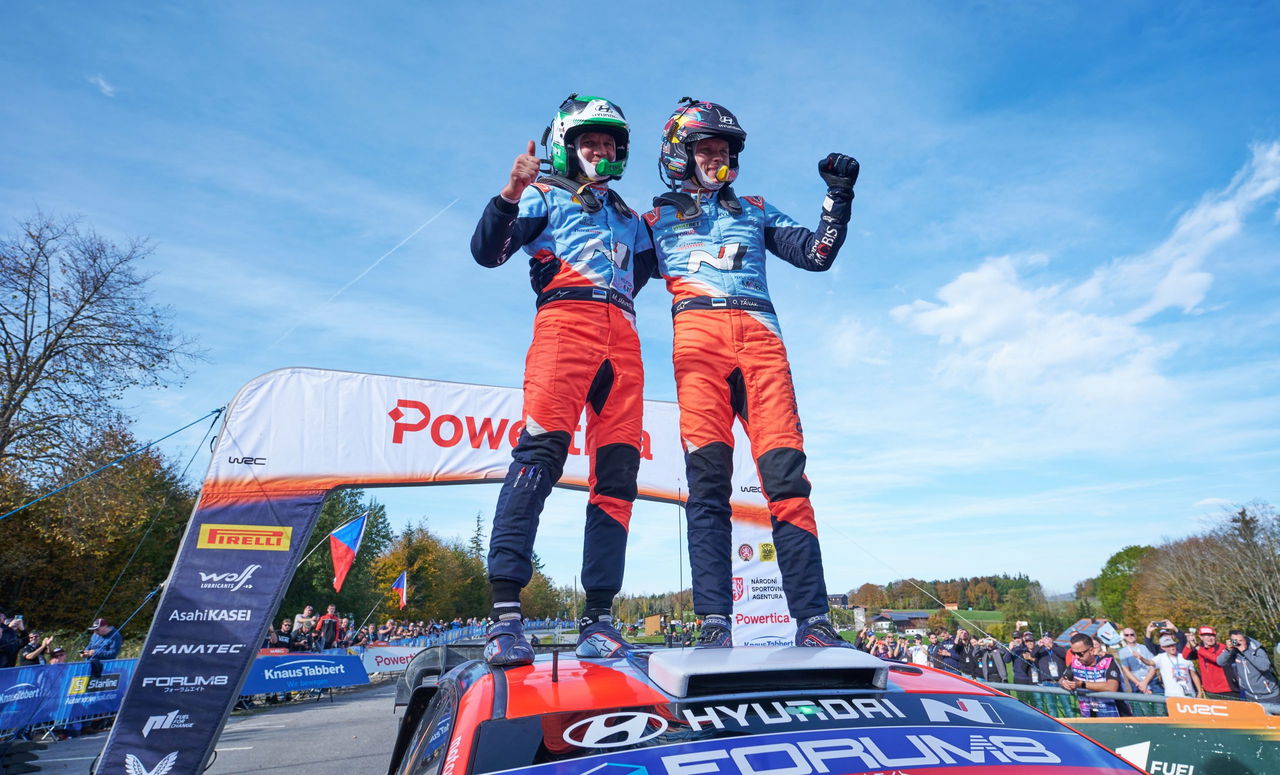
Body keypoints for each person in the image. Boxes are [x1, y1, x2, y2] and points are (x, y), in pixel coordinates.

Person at [644, 98, 858, 648]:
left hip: (762, 345)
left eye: (724, 152)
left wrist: (839, 196)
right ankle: (715, 621)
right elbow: (607, 271)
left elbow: (816, 253)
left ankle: (813, 621)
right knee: (707, 485)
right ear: (679, 154)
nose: (718, 160)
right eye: (706, 150)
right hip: (699, 345)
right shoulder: (653, 220)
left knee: (787, 483)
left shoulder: (756, 208)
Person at [471, 94, 656, 666]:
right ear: (566, 146)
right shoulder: (543, 195)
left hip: (623, 337)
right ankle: (505, 617)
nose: (600, 150)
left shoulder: (629, 216)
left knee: (618, 477)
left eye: (608, 143)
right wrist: (509, 195)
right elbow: (487, 253)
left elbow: (643, 272)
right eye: (589, 141)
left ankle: (599, 616)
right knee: (540, 457)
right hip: (564, 326)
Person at [1060, 632, 1122, 717]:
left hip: (1114, 715)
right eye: (1073, 653)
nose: (1076, 657)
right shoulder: (1075, 662)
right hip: (1088, 715)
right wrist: (1064, 683)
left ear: (1091, 650)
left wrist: (1082, 684)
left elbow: (1112, 687)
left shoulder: (1107, 661)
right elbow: (1062, 678)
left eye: (1080, 653)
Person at [1216, 629, 1279, 703]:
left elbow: (1265, 666)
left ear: (1245, 639)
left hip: (1269, 695)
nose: (1239, 644)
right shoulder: (1234, 651)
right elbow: (1220, 662)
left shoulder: (1256, 649)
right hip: (1250, 695)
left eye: (1241, 640)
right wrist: (1228, 650)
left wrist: (1246, 652)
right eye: (1235, 641)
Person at [1183, 626, 1237, 700]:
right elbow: (1186, 656)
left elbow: (1216, 659)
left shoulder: (1222, 647)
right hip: (1209, 691)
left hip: (1227, 690)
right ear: (1201, 637)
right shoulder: (1200, 649)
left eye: (1212, 635)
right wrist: (1189, 642)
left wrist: (1197, 647)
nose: (1210, 638)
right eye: (1207, 636)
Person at [1117, 626, 1160, 694]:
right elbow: (1126, 670)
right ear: (1124, 637)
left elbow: (1153, 666)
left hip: (1151, 680)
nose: (1130, 636)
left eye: (1132, 634)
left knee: (1160, 701)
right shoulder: (1122, 652)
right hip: (1136, 682)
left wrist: (1145, 682)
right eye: (1127, 635)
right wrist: (1139, 684)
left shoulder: (1145, 647)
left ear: (1135, 635)